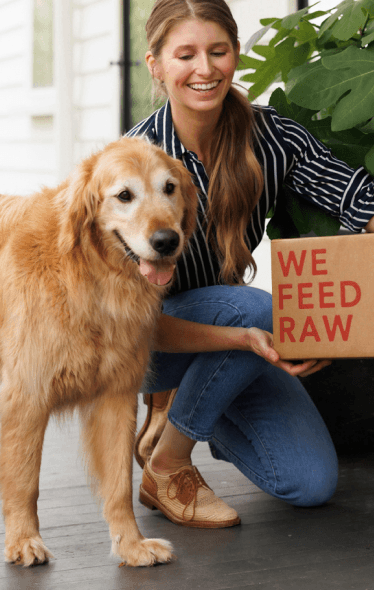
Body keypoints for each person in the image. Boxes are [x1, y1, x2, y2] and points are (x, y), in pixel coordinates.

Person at [126, 0, 374, 528]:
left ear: (235, 54)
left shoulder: (270, 137)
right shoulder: (134, 161)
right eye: (186, 54)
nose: (205, 68)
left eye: (218, 51)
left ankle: (181, 411)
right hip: (148, 346)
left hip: (234, 334)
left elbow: (358, 198)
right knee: (256, 311)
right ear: (155, 64)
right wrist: (246, 339)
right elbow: (135, 323)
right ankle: (167, 464)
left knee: (309, 484)